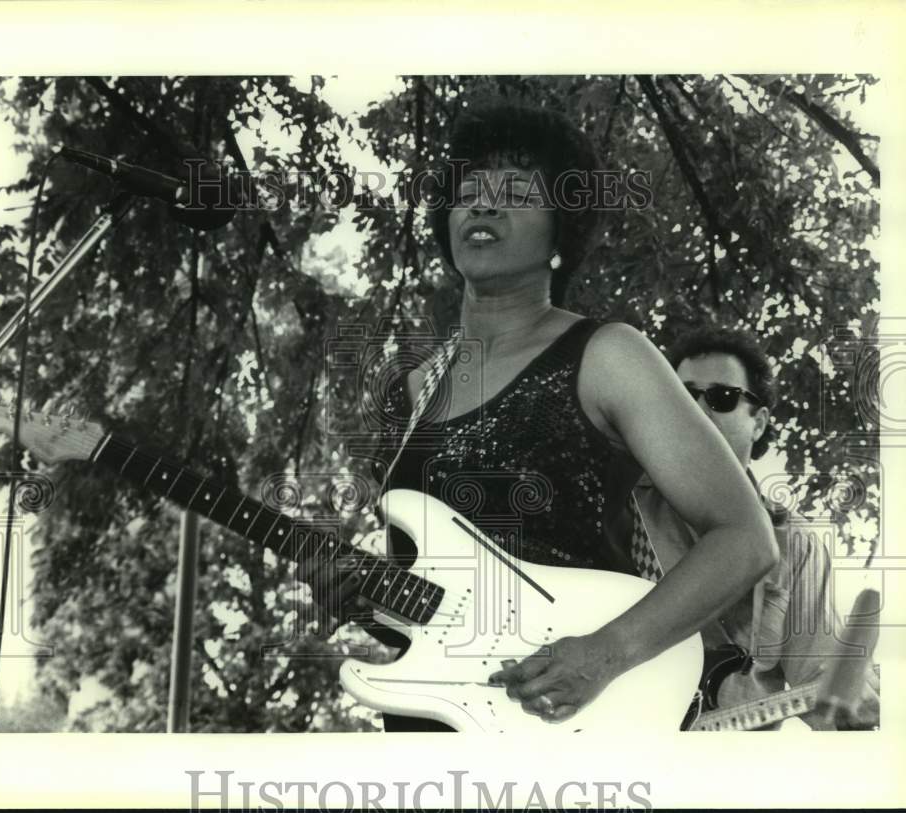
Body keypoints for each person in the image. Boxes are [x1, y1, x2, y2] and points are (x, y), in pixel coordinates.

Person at [299, 101, 778, 731]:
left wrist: (606, 655)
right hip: (434, 739)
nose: (484, 206)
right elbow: (443, 611)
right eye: (468, 192)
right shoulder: (413, 389)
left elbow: (745, 539)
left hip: (574, 726)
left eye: (517, 193)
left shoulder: (608, 354)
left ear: (561, 235)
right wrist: (362, 600)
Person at [634, 326, 880, 730]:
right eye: (682, 396)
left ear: (760, 423)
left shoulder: (794, 544)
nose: (696, 410)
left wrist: (850, 710)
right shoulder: (620, 510)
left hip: (732, 778)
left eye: (722, 397)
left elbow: (819, 681)